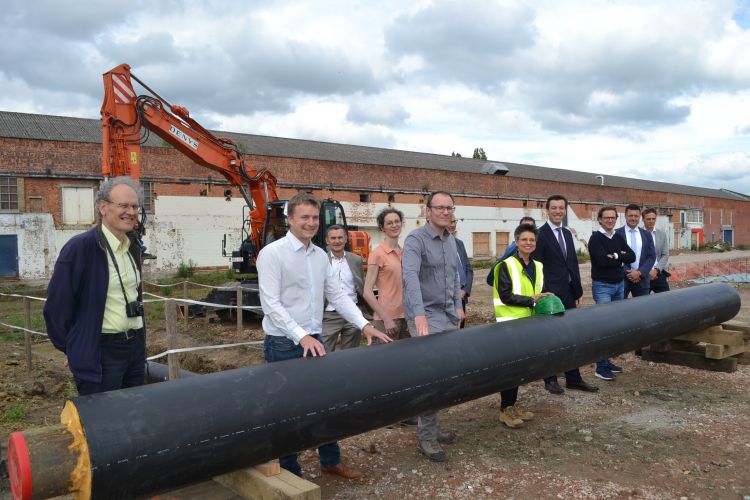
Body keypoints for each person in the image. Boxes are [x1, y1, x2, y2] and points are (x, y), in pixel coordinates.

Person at [257, 192, 392, 479]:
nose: (310, 223)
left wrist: (364, 325)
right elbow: (270, 304)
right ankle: (290, 471)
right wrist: (300, 336)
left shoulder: (320, 256)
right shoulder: (273, 253)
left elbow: (338, 296)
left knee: (325, 402)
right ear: (290, 218)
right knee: (289, 410)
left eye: (314, 217)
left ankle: (330, 460)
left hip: (314, 339)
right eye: (304, 217)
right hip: (283, 343)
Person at [44, 176, 146, 396]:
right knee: (103, 423)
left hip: (135, 347)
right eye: (123, 205)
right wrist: (74, 349)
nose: (130, 211)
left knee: (134, 416)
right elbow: (56, 308)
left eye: (134, 206)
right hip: (102, 351)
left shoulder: (132, 247)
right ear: (103, 207)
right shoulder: (81, 247)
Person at [402, 191, 464, 462]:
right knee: (430, 378)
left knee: (445, 377)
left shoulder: (451, 241)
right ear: (427, 210)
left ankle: (433, 428)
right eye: (439, 207)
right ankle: (426, 438)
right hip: (425, 317)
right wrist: (418, 315)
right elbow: (410, 278)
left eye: (449, 208)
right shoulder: (416, 240)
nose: (445, 212)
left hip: (447, 315)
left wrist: (457, 306)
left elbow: (452, 277)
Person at [531, 195, 599, 395]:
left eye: (561, 208)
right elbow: (537, 267)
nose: (558, 211)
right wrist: (543, 294)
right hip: (550, 296)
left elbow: (572, 265)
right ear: (547, 210)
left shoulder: (568, 234)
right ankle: (550, 379)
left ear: (565, 210)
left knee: (571, 337)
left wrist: (577, 290)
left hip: (569, 294)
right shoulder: (540, 235)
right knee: (551, 339)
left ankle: (574, 378)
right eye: (554, 208)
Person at [493, 223, 552, 428]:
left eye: (532, 240)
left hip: (529, 323)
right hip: (510, 324)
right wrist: (532, 300)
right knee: (510, 369)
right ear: (516, 242)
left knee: (519, 368)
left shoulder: (538, 266)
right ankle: (504, 410)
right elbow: (505, 295)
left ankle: (512, 404)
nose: (528, 243)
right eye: (524, 239)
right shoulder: (506, 265)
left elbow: (540, 292)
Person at [588, 206, 635, 381]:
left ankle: (608, 362)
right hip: (603, 287)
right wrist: (620, 257)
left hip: (619, 285)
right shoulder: (595, 239)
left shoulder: (618, 236)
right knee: (604, 326)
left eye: (612, 217)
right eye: (606, 217)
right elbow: (601, 261)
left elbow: (632, 256)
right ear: (599, 219)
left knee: (615, 326)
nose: (609, 220)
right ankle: (600, 367)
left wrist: (614, 256)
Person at [363, 208, 410, 341]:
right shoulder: (377, 254)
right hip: (387, 319)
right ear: (382, 227)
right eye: (389, 223)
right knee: (384, 360)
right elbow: (367, 291)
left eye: (397, 221)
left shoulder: (405, 252)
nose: (394, 225)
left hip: (407, 316)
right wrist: (386, 318)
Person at [321, 225, 368, 353]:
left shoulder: (356, 260)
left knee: (350, 354)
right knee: (323, 352)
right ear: (327, 240)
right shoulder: (320, 260)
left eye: (340, 237)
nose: (337, 241)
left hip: (353, 313)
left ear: (346, 239)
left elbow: (360, 285)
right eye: (333, 238)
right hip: (329, 315)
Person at [615, 204, 656, 298]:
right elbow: (616, 257)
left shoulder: (647, 234)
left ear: (640, 217)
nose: (633, 218)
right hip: (622, 280)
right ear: (625, 216)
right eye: (630, 216)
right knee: (619, 309)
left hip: (642, 279)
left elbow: (651, 257)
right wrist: (629, 273)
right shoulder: (616, 234)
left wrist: (639, 273)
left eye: (636, 216)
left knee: (642, 310)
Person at [486, 216, 536, 286]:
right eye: (524, 228)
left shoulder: (538, 246)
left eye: (531, 228)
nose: (528, 231)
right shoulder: (513, 248)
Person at [448, 217, 473, 328]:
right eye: (449, 221)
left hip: (461, 297)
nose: (452, 225)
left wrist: (464, 290)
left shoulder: (459, 243)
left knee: (460, 331)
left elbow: (468, 269)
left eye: (454, 221)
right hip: (447, 299)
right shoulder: (436, 245)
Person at [642, 208, 670, 293]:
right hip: (643, 275)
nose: (651, 221)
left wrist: (656, 270)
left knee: (666, 300)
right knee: (643, 302)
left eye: (653, 219)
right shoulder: (638, 234)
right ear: (643, 219)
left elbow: (665, 255)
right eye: (648, 219)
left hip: (659, 273)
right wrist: (646, 271)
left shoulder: (662, 234)